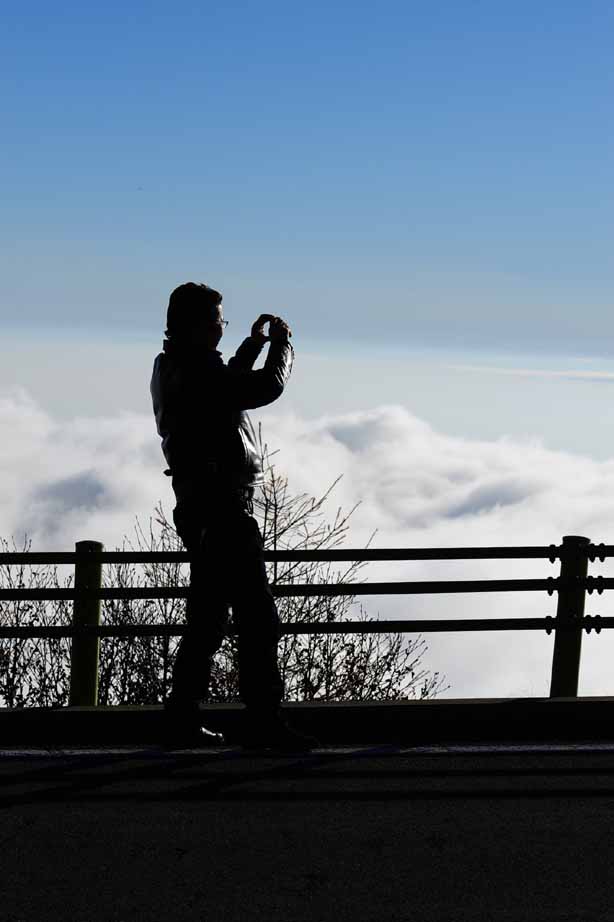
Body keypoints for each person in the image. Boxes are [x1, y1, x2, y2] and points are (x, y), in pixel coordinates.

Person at [150, 282, 319, 751]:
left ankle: (181, 717)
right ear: (199, 326)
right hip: (224, 510)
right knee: (257, 617)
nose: (221, 329)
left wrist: (251, 344)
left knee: (207, 618)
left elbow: (224, 387)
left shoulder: (175, 367)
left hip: (200, 508)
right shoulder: (198, 371)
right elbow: (264, 387)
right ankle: (264, 721)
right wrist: (283, 347)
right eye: (217, 322)